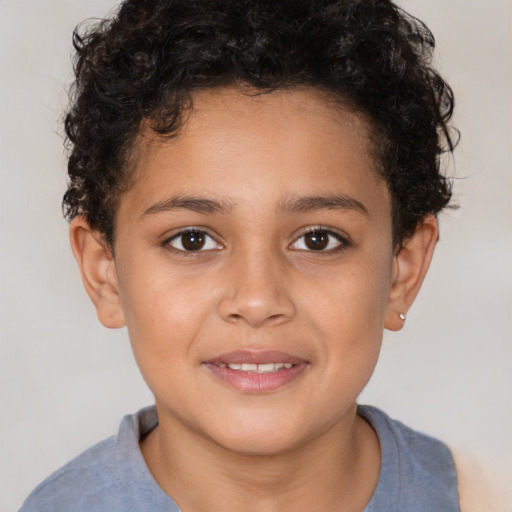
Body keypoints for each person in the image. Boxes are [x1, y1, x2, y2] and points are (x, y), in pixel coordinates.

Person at [19, 0, 462, 510]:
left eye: (318, 239)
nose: (256, 300)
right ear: (105, 273)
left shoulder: (479, 496)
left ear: (402, 270)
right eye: (192, 240)